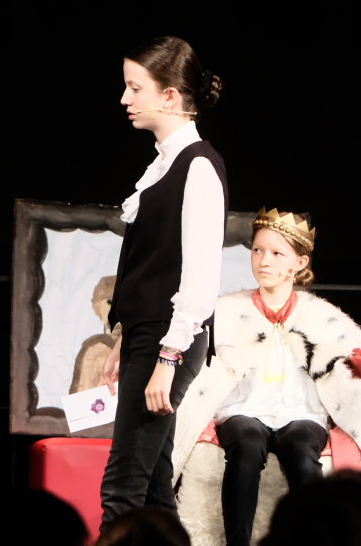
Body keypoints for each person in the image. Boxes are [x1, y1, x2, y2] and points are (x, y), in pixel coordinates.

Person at [98, 36, 228, 525]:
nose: (125, 99)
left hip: (169, 340)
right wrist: (126, 338)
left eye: (136, 88)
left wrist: (167, 358)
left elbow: (199, 278)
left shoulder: (198, 167)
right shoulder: (164, 163)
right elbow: (152, 267)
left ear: (170, 96)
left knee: (123, 488)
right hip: (148, 334)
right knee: (153, 485)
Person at [172, 209, 361, 546]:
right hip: (243, 409)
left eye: (276, 253)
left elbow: (349, 357)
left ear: (299, 263)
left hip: (301, 412)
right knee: (246, 442)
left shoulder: (322, 316)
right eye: (258, 250)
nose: (264, 261)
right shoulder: (227, 310)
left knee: (302, 447)